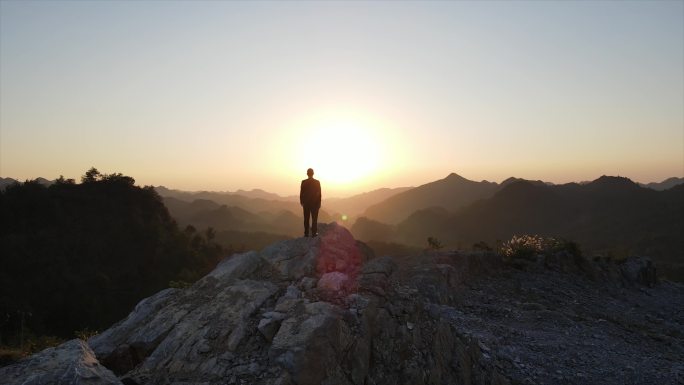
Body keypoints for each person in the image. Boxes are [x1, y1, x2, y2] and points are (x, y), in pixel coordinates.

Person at [300, 168, 321, 237]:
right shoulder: (317, 182)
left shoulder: (303, 182)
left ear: (307, 174)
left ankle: (306, 233)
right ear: (313, 173)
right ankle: (314, 233)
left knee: (306, 219)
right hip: (314, 204)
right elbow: (319, 193)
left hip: (306, 203)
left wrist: (302, 201)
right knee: (314, 219)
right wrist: (319, 203)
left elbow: (301, 193)